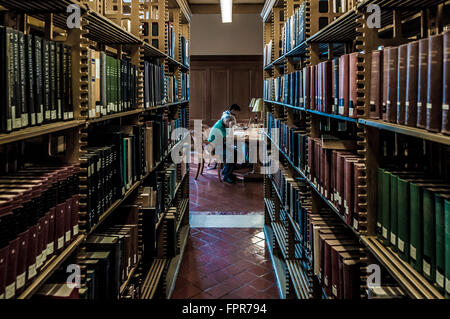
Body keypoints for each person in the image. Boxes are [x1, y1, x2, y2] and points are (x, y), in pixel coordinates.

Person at [208, 113, 237, 183]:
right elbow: (228, 139)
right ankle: (226, 176)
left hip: (218, 144)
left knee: (235, 152)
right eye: (231, 125)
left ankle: (227, 172)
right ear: (227, 121)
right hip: (213, 148)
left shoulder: (222, 123)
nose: (231, 127)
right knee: (231, 154)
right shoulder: (220, 127)